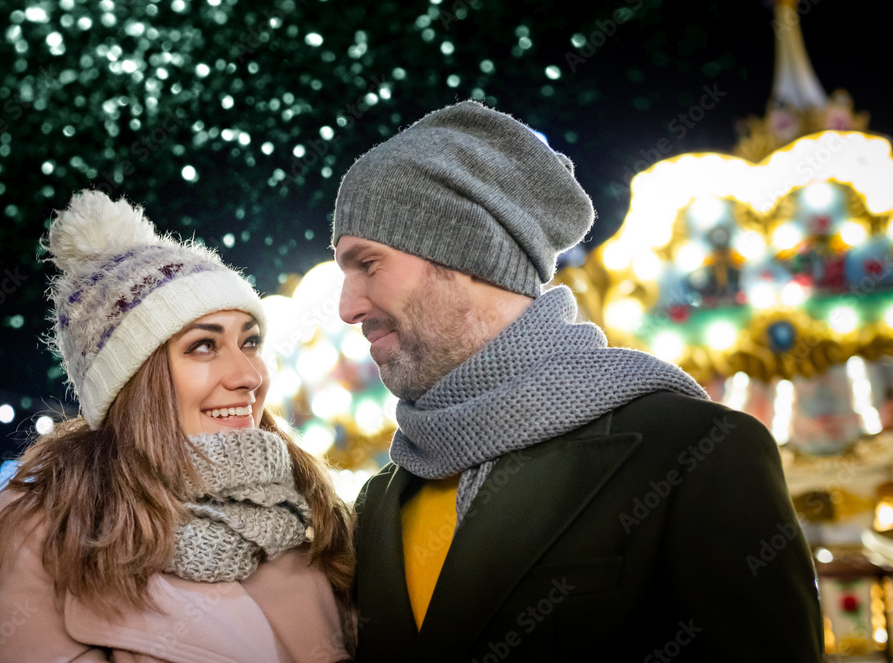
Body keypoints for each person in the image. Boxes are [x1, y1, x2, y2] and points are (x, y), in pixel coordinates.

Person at [331, 101, 823, 661]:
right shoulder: (381, 498)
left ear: (465, 252)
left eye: (367, 264)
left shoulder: (692, 454)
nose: (347, 307)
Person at [0, 190, 354, 662]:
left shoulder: (310, 512)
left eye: (250, 342)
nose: (248, 376)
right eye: (203, 346)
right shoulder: (48, 527)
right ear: (133, 380)